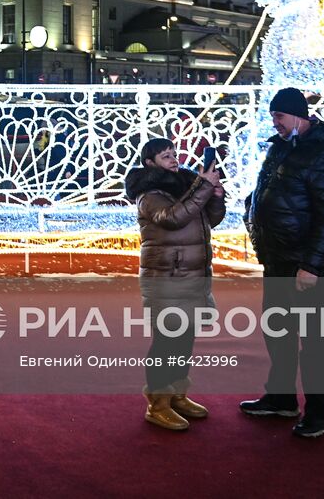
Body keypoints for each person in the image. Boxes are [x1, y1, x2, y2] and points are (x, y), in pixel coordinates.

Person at [240, 87, 324, 438]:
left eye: (280, 116)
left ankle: (321, 412)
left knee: (315, 342)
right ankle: (281, 397)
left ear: (299, 116)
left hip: (305, 265)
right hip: (277, 258)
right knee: (278, 332)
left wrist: (312, 266)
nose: (275, 122)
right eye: (273, 116)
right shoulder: (281, 147)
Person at [125, 137, 225, 432]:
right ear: (150, 163)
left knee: (185, 340)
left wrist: (215, 196)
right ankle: (157, 404)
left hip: (192, 276)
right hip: (166, 279)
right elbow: (173, 219)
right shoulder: (149, 194)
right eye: (165, 156)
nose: (173, 159)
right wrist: (204, 187)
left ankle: (177, 394)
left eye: (173, 153)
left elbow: (210, 220)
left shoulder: (185, 187)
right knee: (167, 342)